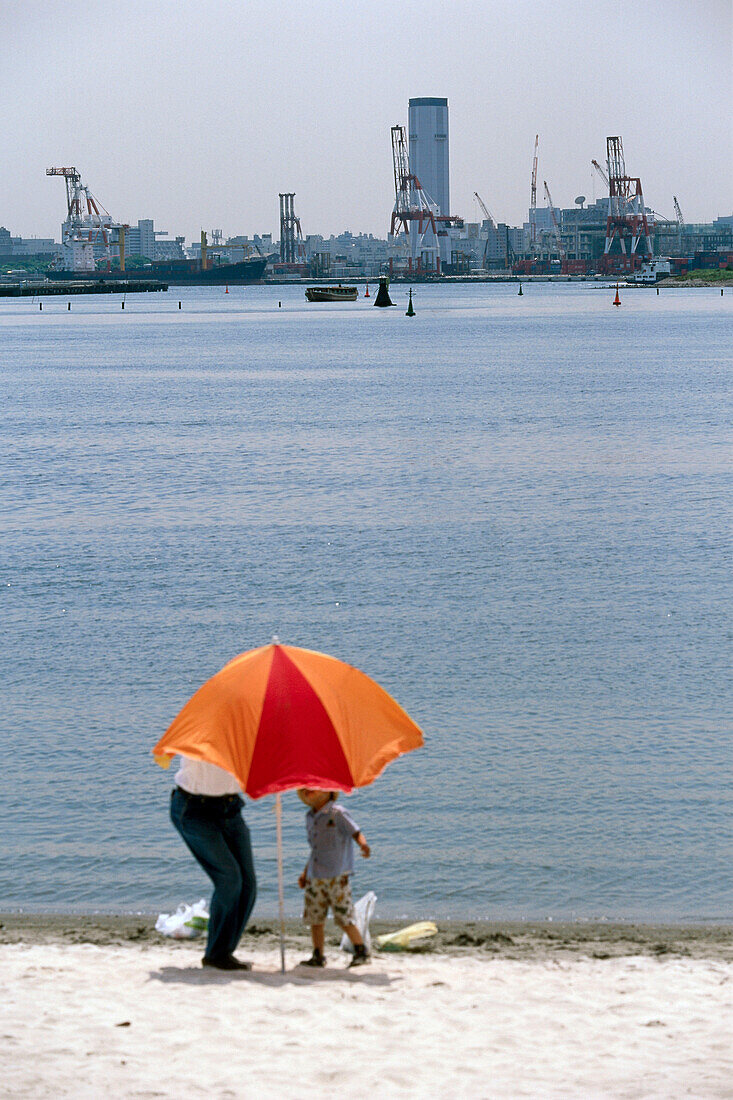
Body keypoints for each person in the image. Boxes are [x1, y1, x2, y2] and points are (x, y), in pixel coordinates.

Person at [170, 757, 257, 971]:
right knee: (229, 879)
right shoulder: (204, 727)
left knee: (248, 885)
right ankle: (216, 955)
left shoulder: (248, 731)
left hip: (230, 807)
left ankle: (223, 952)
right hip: (194, 809)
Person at [296, 788, 371, 968]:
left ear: (328, 791)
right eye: (305, 788)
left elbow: (355, 832)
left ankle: (361, 950)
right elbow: (315, 850)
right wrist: (305, 873)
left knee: (344, 916)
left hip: (337, 875)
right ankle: (318, 955)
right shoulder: (310, 817)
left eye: (314, 787)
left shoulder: (337, 813)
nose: (309, 790)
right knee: (315, 918)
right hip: (315, 876)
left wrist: (363, 845)